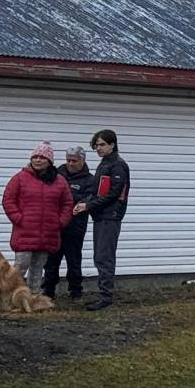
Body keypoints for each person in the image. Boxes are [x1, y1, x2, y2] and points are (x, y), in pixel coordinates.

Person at [2, 142, 72, 301]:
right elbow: (8, 200)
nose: (38, 160)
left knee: (38, 267)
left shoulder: (59, 181)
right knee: (20, 266)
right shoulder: (19, 178)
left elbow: (67, 203)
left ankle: (33, 297)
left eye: (42, 157)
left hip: (47, 233)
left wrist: (60, 222)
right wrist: (19, 219)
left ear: (50, 161)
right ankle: (8, 297)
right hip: (25, 232)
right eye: (35, 157)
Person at [77, 129, 130, 310]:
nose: (98, 148)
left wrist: (89, 206)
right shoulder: (105, 164)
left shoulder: (117, 165)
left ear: (112, 144)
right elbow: (97, 190)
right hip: (101, 216)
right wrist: (85, 202)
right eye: (96, 145)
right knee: (100, 256)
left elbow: (113, 193)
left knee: (104, 256)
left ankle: (105, 296)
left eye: (102, 144)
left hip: (110, 216)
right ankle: (103, 293)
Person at [48, 146, 95, 301]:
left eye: (74, 161)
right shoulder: (56, 174)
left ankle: (76, 292)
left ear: (82, 160)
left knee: (74, 260)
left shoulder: (90, 179)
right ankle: (48, 291)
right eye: (68, 160)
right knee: (51, 261)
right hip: (55, 225)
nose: (70, 163)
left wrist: (70, 197)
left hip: (75, 226)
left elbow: (89, 199)